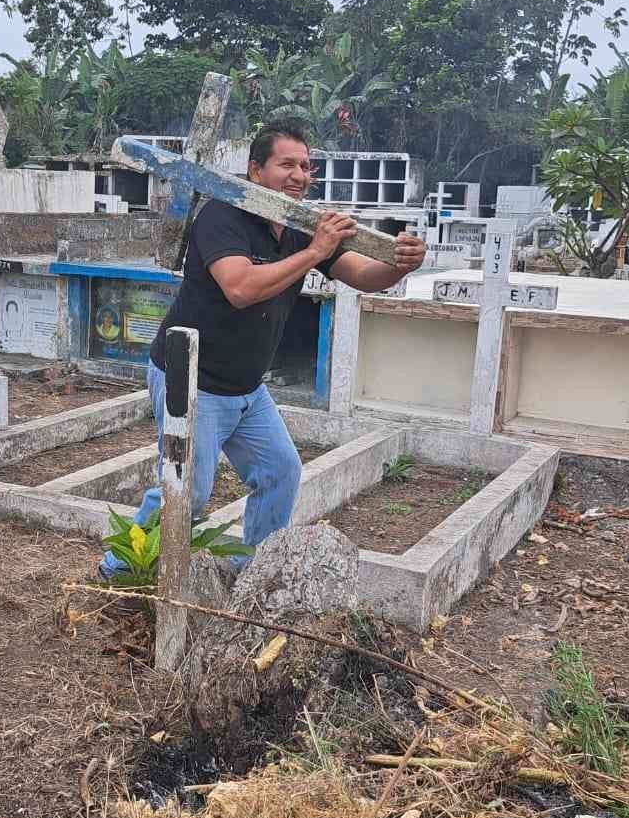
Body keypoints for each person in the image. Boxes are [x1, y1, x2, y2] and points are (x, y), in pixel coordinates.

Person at [99, 124, 425, 578]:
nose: (300, 175)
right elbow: (240, 288)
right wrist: (315, 252)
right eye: (287, 164)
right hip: (192, 380)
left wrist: (400, 267)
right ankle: (117, 570)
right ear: (255, 170)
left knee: (280, 473)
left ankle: (248, 575)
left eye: (306, 166)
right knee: (188, 490)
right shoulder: (222, 216)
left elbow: (362, 275)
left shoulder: (301, 228)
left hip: (247, 388)